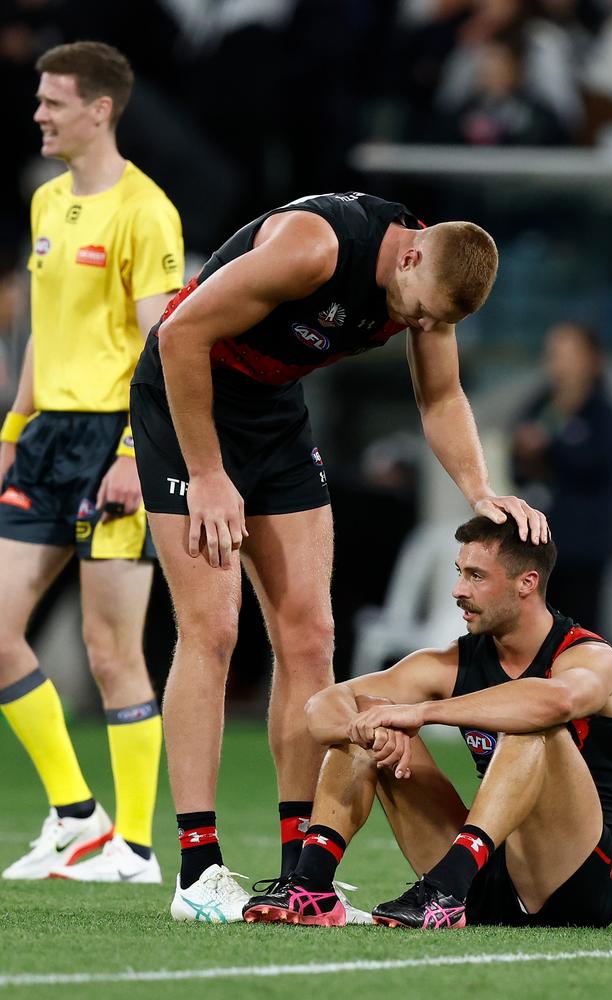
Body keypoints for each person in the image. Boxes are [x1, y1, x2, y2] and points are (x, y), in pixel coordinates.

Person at [130, 190, 548, 923]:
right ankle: (198, 871)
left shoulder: (430, 283)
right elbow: (178, 334)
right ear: (409, 254)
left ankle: (302, 875)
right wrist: (206, 475)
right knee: (214, 630)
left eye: (434, 322)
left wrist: (482, 490)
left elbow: (441, 396)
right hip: (185, 405)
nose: (419, 327)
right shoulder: (316, 246)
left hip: (273, 408)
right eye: (421, 313)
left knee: (311, 634)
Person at [243, 514, 612, 928]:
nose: (458, 590)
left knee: (532, 727)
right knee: (370, 711)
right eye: (459, 573)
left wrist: (421, 712)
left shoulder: (592, 657)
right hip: (483, 873)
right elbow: (322, 707)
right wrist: (371, 728)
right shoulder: (455, 660)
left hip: (579, 883)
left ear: (527, 583)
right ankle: (311, 887)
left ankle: (444, 889)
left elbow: (555, 701)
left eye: (476, 576)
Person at [0, 41, 184, 883]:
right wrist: (13, 423)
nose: (39, 113)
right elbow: (42, 325)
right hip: (45, 439)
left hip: (114, 438)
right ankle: (77, 816)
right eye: (39, 100)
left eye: (54, 101)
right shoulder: (45, 203)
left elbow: (161, 348)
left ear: (100, 109)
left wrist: (131, 456)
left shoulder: (147, 211)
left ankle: (137, 849)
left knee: (112, 649)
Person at [511, 321, 612, 632]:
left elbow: (596, 465)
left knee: (580, 631)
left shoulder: (603, 413)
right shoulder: (539, 405)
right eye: (553, 353)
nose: (558, 362)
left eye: (568, 353)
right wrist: (526, 454)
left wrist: (550, 449)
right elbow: (518, 468)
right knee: (537, 633)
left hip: (585, 545)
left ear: (591, 359)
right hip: (539, 547)